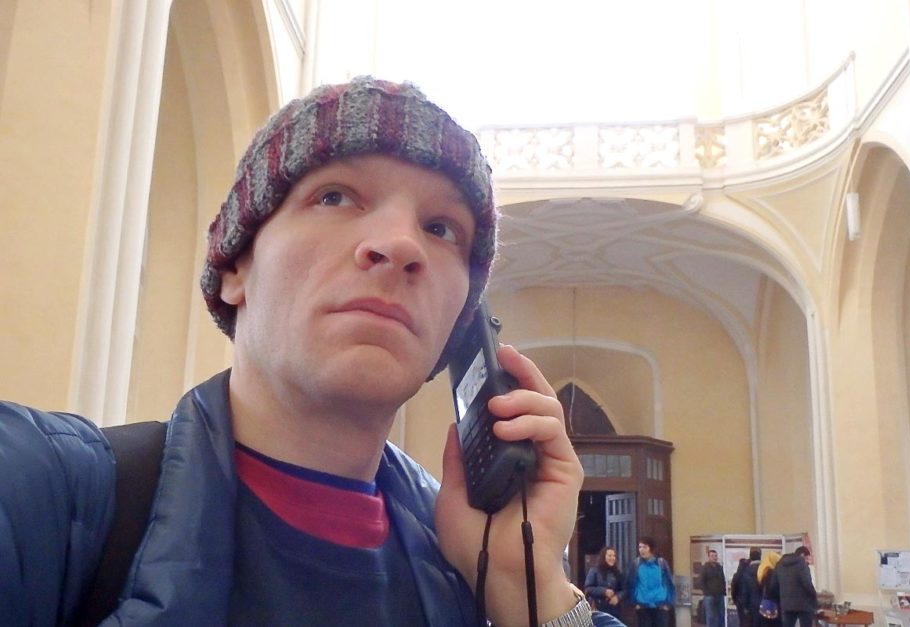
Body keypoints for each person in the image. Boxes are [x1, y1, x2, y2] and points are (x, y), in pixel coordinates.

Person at [0, 77, 625, 627]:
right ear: (236, 266)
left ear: (460, 327)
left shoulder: (471, 559)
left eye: (442, 229)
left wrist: (531, 592)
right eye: (335, 196)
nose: (400, 244)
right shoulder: (46, 495)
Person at [626, 536, 676, 627]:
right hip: (643, 607)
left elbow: (670, 584)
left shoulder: (661, 563)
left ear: (651, 548)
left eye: (645, 547)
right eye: (640, 547)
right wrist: (634, 603)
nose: (642, 550)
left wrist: (668, 604)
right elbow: (630, 584)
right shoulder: (636, 564)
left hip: (660, 606)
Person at [773, 547, 818, 627]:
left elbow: (774, 584)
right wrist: (814, 596)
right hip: (804, 604)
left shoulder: (779, 564)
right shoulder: (802, 564)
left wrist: (783, 597)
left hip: (786, 604)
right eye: (807, 557)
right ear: (802, 555)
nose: (807, 560)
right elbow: (807, 583)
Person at [585, 547, 628, 618]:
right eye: (609, 556)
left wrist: (618, 597)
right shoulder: (594, 571)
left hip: (614, 610)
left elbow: (625, 589)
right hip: (598, 608)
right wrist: (604, 591)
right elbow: (588, 588)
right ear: (603, 557)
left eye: (614, 556)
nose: (612, 558)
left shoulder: (618, 573)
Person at [701, 548, 727, 627]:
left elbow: (723, 579)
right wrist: (706, 592)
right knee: (710, 616)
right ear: (708, 557)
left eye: (715, 556)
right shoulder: (705, 568)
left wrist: (723, 590)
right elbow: (701, 581)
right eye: (712, 556)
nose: (714, 558)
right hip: (709, 595)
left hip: (720, 595)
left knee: (721, 615)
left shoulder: (719, 567)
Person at [756, 551, 782, 627]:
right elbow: (772, 589)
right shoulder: (771, 572)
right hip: (773, 605)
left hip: (764, 604)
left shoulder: (762, 571)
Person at [742, 547, 763, 627]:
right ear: (760, 557)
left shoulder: (746, 571)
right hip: (765, 602)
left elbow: (744, 591)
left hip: (752, 602)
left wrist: (745, 606)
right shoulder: (765, 569)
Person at [730, 557, 751, 627]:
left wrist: (735, 600)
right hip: (748, 601)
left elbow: (733, 589)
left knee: (742, 620)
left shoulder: (736, 575)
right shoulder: (749, 575)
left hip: (739, 601)